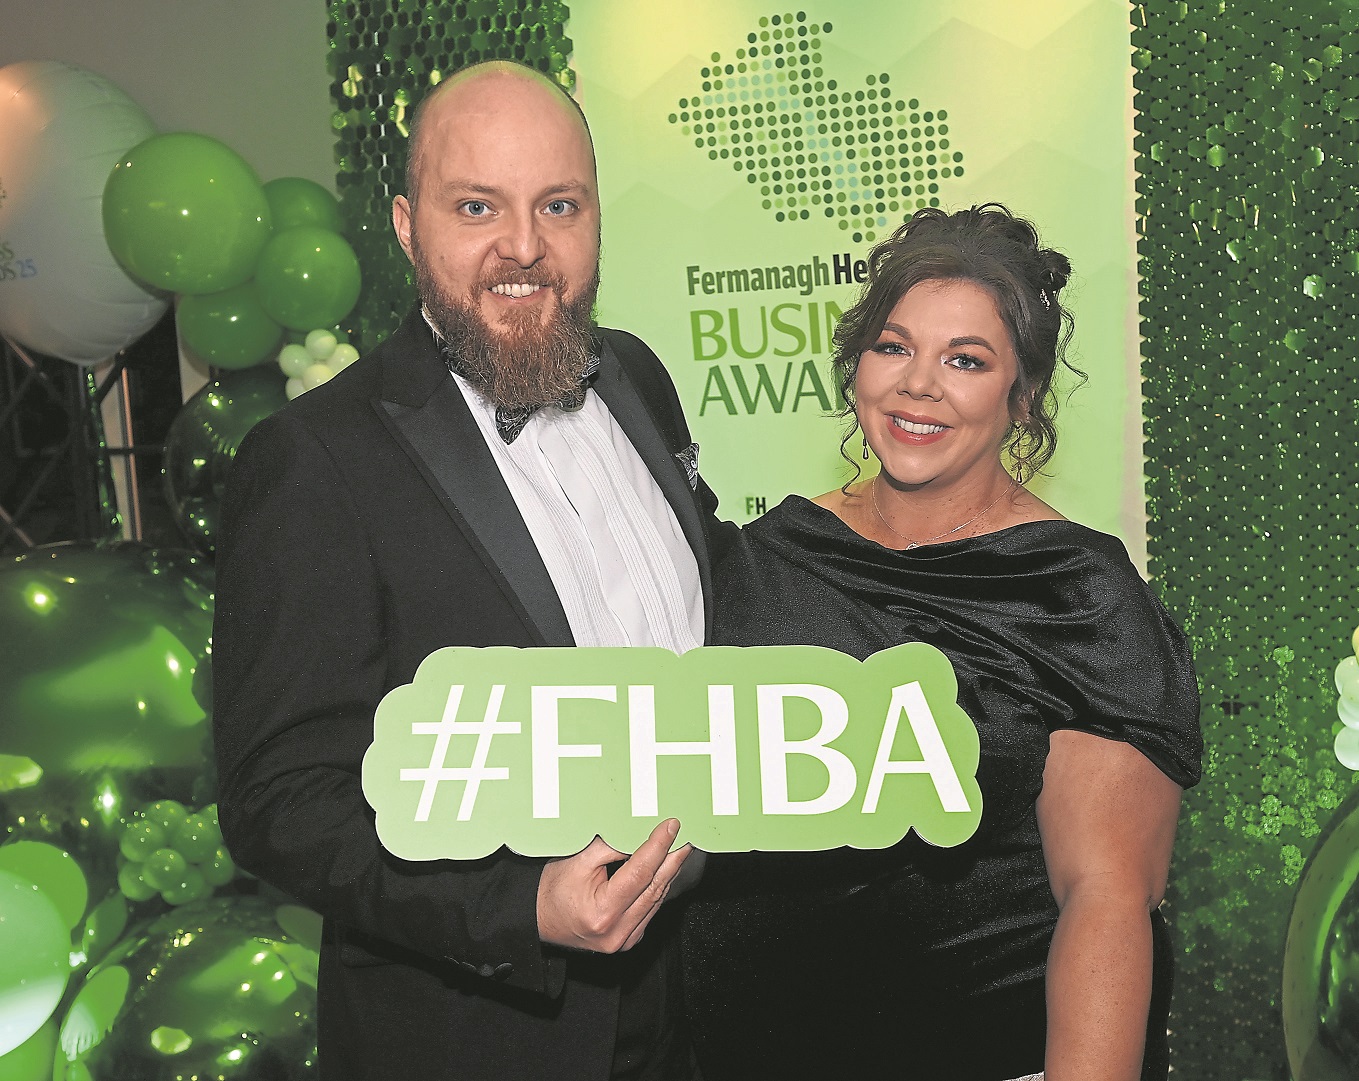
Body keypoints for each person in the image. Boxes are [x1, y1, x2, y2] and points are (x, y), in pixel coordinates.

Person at [213, 61, 731, 1081]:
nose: (524, 247)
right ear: (409, 228)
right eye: (477, 207)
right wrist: (518, 906)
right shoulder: (314, 459)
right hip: (485, 1033)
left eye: (559, 205)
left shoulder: (637, 376)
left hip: (695, 1004)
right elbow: (281, 799)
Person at [681, 204, 1202, 1081]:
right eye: (893, 347)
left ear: (1021, 396)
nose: (918, 384)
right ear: (856, 367)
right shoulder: (762, 560)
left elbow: (1108, 899)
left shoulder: (1072, 593)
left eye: (965, 359)